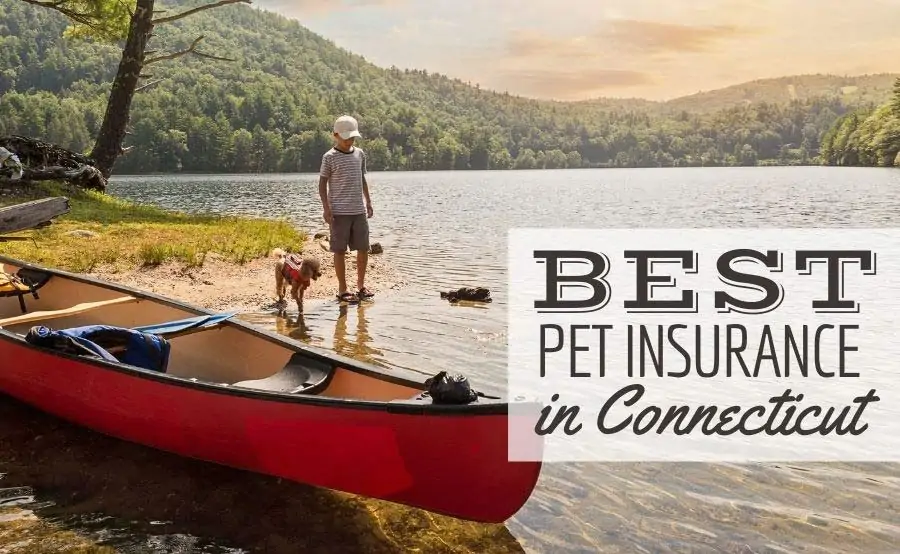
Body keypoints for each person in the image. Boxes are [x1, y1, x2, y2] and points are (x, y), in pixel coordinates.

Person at [319, 115, 374, 303]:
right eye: (346, 137)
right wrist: (326, 209)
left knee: (363, 248)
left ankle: (360, 286)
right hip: (339, 213)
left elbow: (362, 179)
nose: (350, 140)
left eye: (352, 137)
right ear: (335, 135)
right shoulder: (329, 157)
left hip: (358, 211)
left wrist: (368, 201)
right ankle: (343, 289)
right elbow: (322, 183)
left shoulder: (360, 154)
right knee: (339, 251)